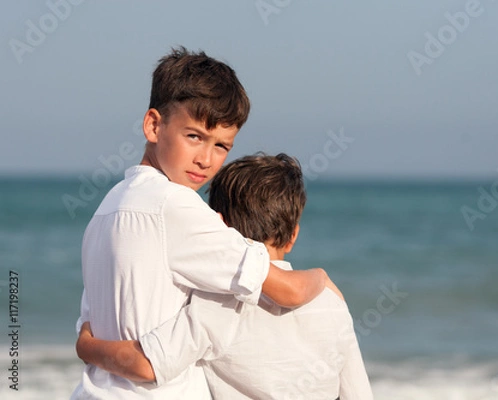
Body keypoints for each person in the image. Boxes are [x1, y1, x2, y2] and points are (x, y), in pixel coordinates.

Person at [71, 48, 334, 399]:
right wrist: (323, 278)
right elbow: (288, 291)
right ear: (153, 125)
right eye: (194, 136)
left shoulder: (105, 211)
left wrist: (86, 350)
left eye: (222, 145)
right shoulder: (176, 205)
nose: (206, 159)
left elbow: (88, 332)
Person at [77, 153, 374, 400]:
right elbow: (357, 393)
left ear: (218, 225)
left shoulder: (218, 302)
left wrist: (88, 347)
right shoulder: (332, 305)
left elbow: (148, 362)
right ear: (292, 235)